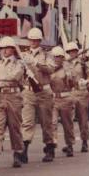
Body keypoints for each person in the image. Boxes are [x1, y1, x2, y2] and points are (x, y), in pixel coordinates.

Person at [0, 36, 26, 170]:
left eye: (7, 48)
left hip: (13, 96)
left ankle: (18, 153)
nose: (4, 51)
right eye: (2, 48)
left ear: (13, 49)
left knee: (15, 127)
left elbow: (15, 76)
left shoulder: (19, 64)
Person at [20, 27, 56, 162]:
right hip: (28, 92)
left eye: (35, 40)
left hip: (43, 92)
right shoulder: (23, 55)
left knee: (46, 122)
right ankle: (24, 149)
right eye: (31, 40)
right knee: (27, 121)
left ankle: (49, 148)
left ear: (40, 41)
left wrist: (36, 63)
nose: (33, 42)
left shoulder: (47, 55)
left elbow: (51, 69)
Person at [49, 47, 77, 157]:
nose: (56, 59)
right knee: (52, 122)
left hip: (65, 98)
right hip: (54, 99)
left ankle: (69, 145)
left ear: (62, 58)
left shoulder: (67, 68)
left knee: (67, 124)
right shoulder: (50, 69)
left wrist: (69, 75)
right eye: (55, 57)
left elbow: (73, 83)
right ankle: (53, 143)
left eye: (58, 57)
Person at [65, 42, 89, 152]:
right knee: (68, 120)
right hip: (69, 93)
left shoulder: (83, 63)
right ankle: (69, 144)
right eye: (70, 51)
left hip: (81, 93)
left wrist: (86, 81)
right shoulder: (65, 64)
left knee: (82, 119)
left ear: (77, 52)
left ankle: (84, 142)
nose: (72, 53)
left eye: (74, 51)